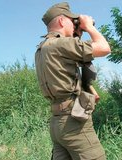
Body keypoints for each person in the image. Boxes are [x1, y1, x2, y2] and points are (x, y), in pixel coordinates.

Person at [35, 2, 111, 160]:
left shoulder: (42, 48)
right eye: (72, 20)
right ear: (62, 21)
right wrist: (89, 26)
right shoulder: (62, 44)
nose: (74, 24)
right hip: (73, 122)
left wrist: (76, 34)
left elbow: (70, 66)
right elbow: (104, 48)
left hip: (57, 123)